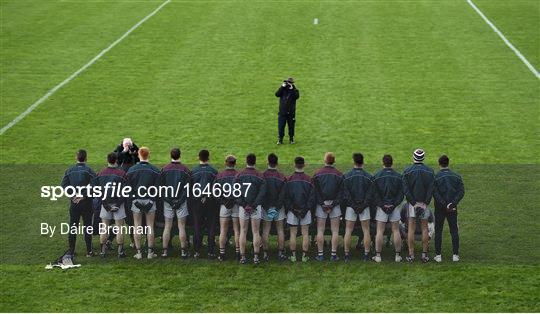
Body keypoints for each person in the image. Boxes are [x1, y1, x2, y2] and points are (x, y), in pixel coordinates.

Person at [126, 147, 160, 259]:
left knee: (137, 226)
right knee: (150, 226)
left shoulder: (132, 170)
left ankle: (139, 252)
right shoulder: (155, 170)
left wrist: (135, 201)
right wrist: (151, 201)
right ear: (148, 155)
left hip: (136, 200)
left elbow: (128, 188)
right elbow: (157, 188)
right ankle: (150, 253)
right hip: (150, 199)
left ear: (139, 155)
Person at [60, 149, 96, 257]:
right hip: (87, 203)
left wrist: (73, 196)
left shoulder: (69, 171)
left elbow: (64, 185)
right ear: (86, 158)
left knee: (73, 226)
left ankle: (71, 250)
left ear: (76, 157)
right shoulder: (89, 170)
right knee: (88, 226)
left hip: (74, 203)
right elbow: (95, 185)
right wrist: (83, 195)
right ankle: (89, 251)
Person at [402, 148, 435, 263]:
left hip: (412, 204)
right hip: (424, 203)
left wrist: (413, 203)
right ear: (423, 158)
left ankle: (411, 255)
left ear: (413, 157)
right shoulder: (430, 171)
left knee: (410, 228)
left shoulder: (407, 171)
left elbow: (406, 190)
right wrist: (425, 203)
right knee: (424, 228)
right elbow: (431, 189)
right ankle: (424, 255)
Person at [92, 152, 127, 258]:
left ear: (107, 160)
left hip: (105, 204)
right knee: (120, 228)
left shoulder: (101, 173)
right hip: (118, 204)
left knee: (104, 228)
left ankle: (103, 251)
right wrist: (117, 204)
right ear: (116, 160)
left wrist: (106, 205)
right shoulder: (122, 174)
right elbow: (126, 191)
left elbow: (96, 190)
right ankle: (120, 251)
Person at [371, 154, 404, 263]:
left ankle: (378, 256)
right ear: (392, 163)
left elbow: (375, 194)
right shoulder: (398, 176)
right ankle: (397, 256)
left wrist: (382, 205)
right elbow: (401, 194)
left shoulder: (377, 176)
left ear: (383, 163)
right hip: (393, 207)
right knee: (396, 230)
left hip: (382, 208)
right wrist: (393, 204)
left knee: (379, 231)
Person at [341, 153, 373, 262]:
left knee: (348, 230)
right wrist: (363, 205)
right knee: (366, 231)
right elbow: (369, 194)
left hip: (351, 207)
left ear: (353, 162)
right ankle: (366, 254)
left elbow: (346, 194)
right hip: (364, 207)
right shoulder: (369, 177)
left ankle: (346, 254)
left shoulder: (347, 176)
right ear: (363, 162)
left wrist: (354, 205)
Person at [160, 148, 191, 258]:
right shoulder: (185, 170)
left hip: (169, 202)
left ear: (170, 155)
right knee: (181, 227)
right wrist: (179, 201)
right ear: (180, 155)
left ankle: (164, 251)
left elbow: (162, 188)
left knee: (167, 226)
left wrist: (170, 201)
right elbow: (187, 189)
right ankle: (183, 251)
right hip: (181, 202)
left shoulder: (165, 169)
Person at [283, 156, 315, 262]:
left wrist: (293, 210)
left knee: (293, 233)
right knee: (305, 233)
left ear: (294, 165)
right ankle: (304, 256)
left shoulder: (289, 179)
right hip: (305, 210)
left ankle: (293, 256)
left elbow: (286, 197)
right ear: (304, 165)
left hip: (293, 211)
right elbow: (312, 198)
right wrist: (305, 210)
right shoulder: (309, 180)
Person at [235, 153, 266, 264]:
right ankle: (256, 257)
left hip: (244, 208)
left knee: (243, 231)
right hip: (255, 208)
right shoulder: (260, 176)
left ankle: (243, 257)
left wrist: (244, 205)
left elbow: (236, 192)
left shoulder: (239, 175)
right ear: (255, 161)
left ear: (246, 161)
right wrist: (253, 205)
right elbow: (262, 193)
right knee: (256, 232)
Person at [433, 155, 465, 263]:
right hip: (452, 208)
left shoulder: (436, 177)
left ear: (439, 164)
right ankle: (455, 255)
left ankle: (438, 255)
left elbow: (435, 193)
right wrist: (452, 203)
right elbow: (461, 191)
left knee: (438, 231)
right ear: (448, 163)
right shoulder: (456, 176)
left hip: (439, 208)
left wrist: (443, 204)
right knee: (454, 230)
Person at [312, 152, 343, 261]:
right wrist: (333, 204)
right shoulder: (339, 174)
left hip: (322, 205)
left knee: (320, 230)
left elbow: (315, 191)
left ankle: (320, 255)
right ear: (333, 161)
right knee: (335, 231)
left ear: (325, 160)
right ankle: (333, 255)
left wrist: (323, 204)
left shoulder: (317, 174)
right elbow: (341, 192)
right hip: (335, 206)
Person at [190, 149, 219, 259]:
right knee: (211, 226)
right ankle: (211, 251)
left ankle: (197, 251)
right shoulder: (214, 171)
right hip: (210, 201)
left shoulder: (193, 171)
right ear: (208, 157)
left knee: (197, 226)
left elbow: (191, 189)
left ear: (199, 157)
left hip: (197, 201)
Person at [261, 153, 287, 261]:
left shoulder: (262, 176)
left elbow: (262, 193)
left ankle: (265, 254)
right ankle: (280, 253)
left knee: (266, 230)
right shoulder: (282, 177)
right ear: (277, 163)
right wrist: (276, 207)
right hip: (278, 207)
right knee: (280, 230)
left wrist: (267, 207)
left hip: (267, 207)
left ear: (268, 162)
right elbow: (282, 195)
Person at [216, 155, 240, 261]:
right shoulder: (238, 175)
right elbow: (241, 191)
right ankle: (238, 253)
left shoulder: (220, 175)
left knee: (223, 230)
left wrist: (224, 202)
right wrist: (233, 200)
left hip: (224, 206)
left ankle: (222, 253)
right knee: (237, 230)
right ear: (235, 163)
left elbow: (215, 191)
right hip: (236, 205)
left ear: (226, 163)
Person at [275, 77, 300, 145]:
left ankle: (291, 139)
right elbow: (277, 94)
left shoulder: (295, 90)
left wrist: (292, 89)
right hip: (282, 113)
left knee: (291, 127)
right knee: (281, 126)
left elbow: (297, 96)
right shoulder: (283, 89)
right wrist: (282, 86)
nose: (288, 84)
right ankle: (280, 139)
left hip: (291, 113)